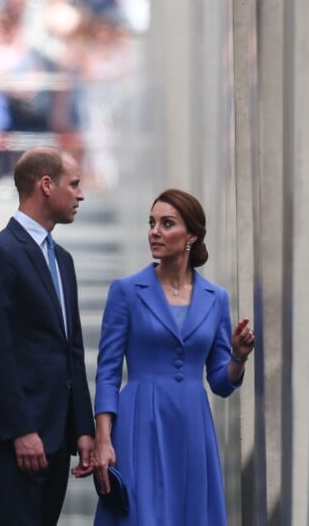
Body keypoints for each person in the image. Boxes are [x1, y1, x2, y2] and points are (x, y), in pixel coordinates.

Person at [92, 188, 255, 525]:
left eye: (167, 224)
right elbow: (107, 372)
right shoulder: (126, 291)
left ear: (191, 235)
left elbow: (220, 383)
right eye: (152, 223)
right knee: (142, 514)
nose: (155, 231)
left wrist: (238, 357)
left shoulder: (216, 298)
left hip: (193, 423)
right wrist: (103, 440)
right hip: (139, 420)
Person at [0, 145, 95, 526]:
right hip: (15, 439)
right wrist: (22, 430)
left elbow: (72, 350)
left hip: (56, 437)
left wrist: (84, 429)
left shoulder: (63, 261)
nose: (81, 194)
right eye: (73, 185)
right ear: (45, 185)